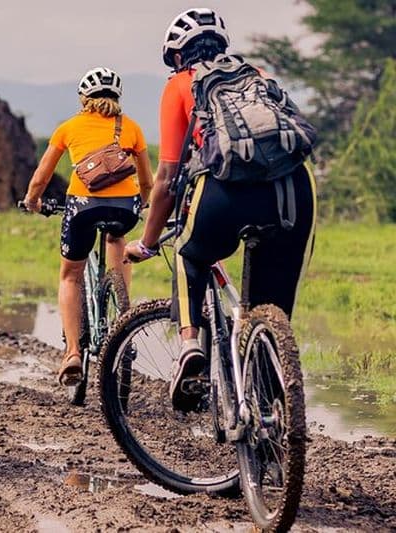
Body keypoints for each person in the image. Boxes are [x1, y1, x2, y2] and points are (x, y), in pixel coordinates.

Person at [124, 8, 317, 411]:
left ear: (178, 56)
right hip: (294, 192)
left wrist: (144, 243)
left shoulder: (181, 84)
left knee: (189, 255)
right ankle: (272, 413)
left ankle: (190, 345)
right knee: (270, 311)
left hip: (226, 193)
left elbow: (166, 179)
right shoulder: (259, 75)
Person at [23, 67, 153, 386]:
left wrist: (32, 201)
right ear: (117, 97)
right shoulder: (132, 128)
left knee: (70, 276)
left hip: (82, 207)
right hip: (125, 208)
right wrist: (144, 202)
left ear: (84, 98)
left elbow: (41, 177)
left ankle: (71, 353)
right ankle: (122, 316)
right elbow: (148, 181)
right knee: (116, 239)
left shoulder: (68, 127)